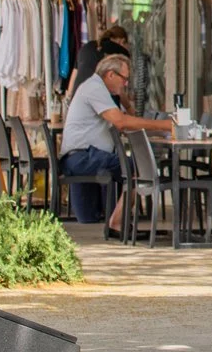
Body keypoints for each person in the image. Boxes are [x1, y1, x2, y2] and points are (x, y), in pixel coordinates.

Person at [59, 53, 173, 233]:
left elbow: (127, 122)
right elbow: (121, 122)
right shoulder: (94, 88)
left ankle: (114, 217)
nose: (125, 84)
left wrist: (128, 105)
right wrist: (166, 126)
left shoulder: (98, 89)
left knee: (87, 217)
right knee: (138, 167)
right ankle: (117, 222)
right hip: (83, 157)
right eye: (124, 79)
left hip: (83, 156)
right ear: (110, 74)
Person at [71, 23, 131, 93]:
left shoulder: (87, 47)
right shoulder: (120, 51)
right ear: (122, 41)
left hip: (77, 96)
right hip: (95, 94)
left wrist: (69, 100)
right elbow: (119, 91)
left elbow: (74, 76)